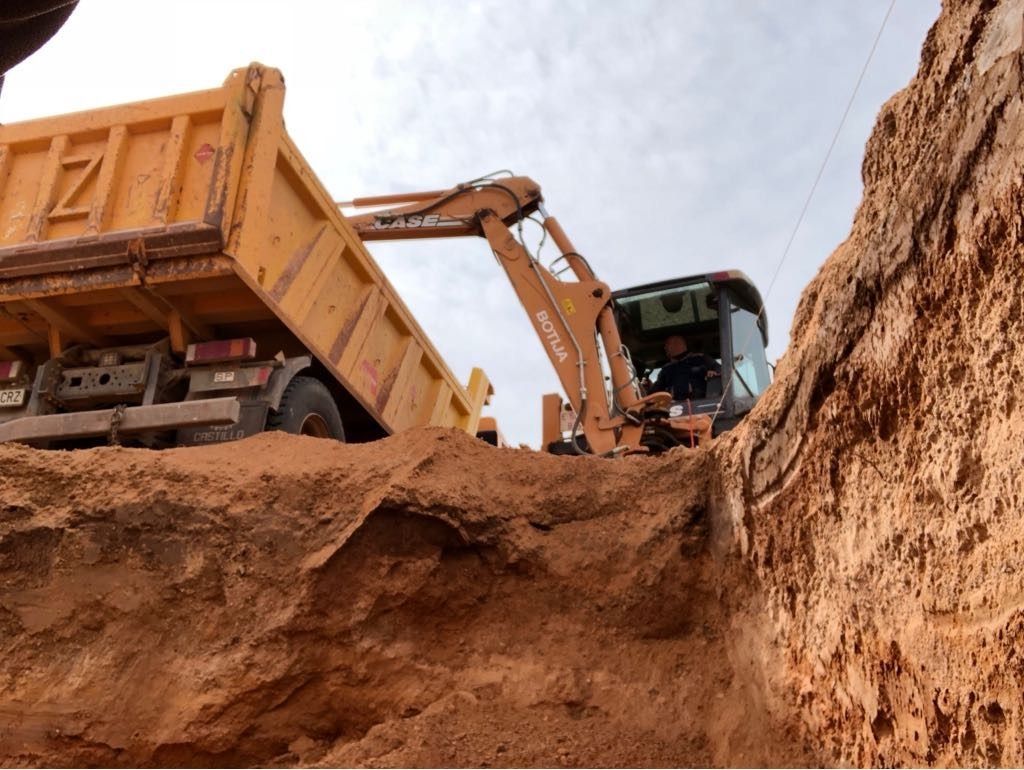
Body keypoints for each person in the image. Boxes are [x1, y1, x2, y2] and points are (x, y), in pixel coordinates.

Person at [651, 335, 721, 400]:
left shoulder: (701, 358)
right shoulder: (666, 369)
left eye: (667, 344)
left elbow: (721, 370)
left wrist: (713, 373)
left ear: (678, 344)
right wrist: (647, 385)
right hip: (674, 408)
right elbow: (655, 391)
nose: (665, 348)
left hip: (702, 404)